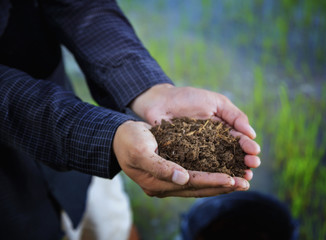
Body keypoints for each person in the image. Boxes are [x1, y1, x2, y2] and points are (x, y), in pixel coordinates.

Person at [0, 0, 261, 239]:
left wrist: (150, 91)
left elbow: (82, 7)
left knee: (113, 225)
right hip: (10, 196)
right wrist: (108, 136)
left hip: (82, 146)